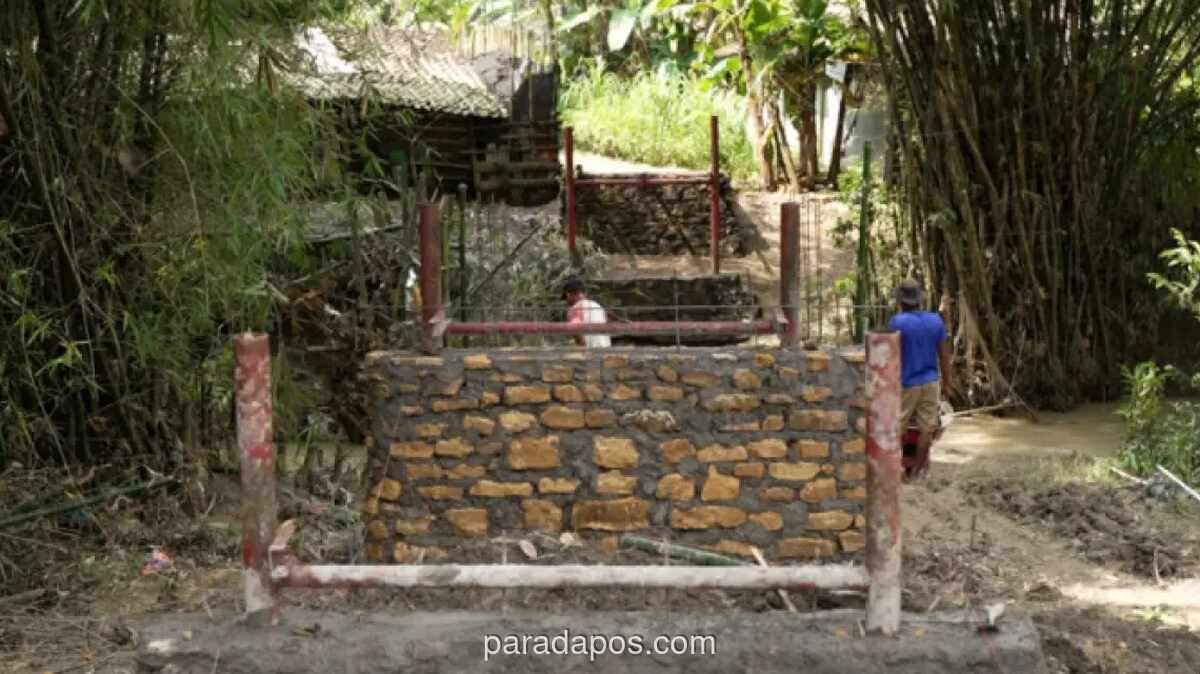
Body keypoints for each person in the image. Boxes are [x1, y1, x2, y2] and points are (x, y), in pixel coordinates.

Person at [888, 279, 952, 479]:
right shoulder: (935, 320)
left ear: (901, 301)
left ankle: (891, 468)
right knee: (927, 428)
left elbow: (891, 356)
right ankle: (915, 472)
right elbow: (944, 355)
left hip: (907, 383)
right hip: (931, 382)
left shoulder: (897, 322)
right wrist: (948, 384)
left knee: (897, 425)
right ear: (919, 300)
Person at [562, 277, 611, 348]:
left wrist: (581, 347)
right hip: (606, 350)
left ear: (568, 294)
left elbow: (575, 329)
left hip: (591, 352)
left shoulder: (575, 308)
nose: (567, 302)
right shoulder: (598, 306)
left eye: (566, 298)